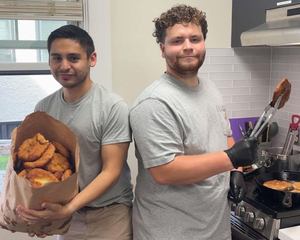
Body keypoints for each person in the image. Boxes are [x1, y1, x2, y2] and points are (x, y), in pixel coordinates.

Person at [129, 4, 259, 240]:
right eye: (177, 40)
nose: (188, 46)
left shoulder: (211, 89)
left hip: (216, 229)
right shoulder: (154, 103)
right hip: (170, 233)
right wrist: (231, 158)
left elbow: (225, 136)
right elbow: (165, 171)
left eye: (195, 39)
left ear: (203, 43)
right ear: (162, 48)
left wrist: (236, 171)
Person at [16, 25, 133, 240]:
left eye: (73, 58)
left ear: (92, 59)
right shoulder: (43, 109)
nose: (64, 66)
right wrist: (40, 215)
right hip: (69, 218)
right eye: (56, 58)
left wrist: (67, 209)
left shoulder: (112, 106)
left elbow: (111, 172)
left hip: (109, 215)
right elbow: (42, 170)